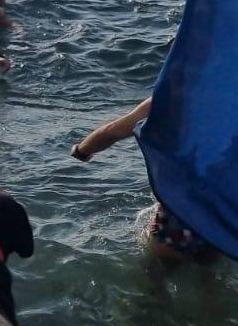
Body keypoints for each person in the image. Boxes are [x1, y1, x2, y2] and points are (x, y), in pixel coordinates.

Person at [70, 98, 217, 263]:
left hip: (175, 212)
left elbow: (111, 131)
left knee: (156, 277)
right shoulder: (236, 105)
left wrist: (82, 150)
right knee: (209, 279)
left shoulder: (170, 100)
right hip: (217, 218)